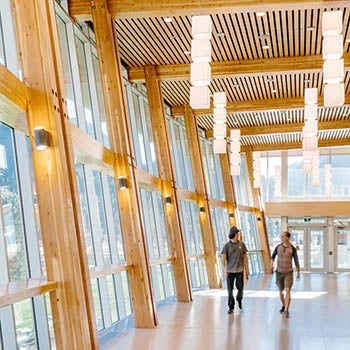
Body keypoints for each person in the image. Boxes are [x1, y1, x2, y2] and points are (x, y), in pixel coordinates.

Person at [270, 231, 300, 318]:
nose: (281, 238)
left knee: (287, 290)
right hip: (279, 272)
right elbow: (272, 257)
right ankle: (284, 305)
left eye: (283, 236)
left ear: (288, 237)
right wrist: (271, 265)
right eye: (281, 236)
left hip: (288, 272)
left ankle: (286, 309)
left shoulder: (292, 248)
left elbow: (296, 261)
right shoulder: (278, 247)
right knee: (280, 291)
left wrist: (298, 272)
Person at [221, 226, 249, 314]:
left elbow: (245, 257)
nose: (238, 235)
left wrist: (247, 269)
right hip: (230, 271)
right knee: (230, 290)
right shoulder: (227, 246)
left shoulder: (242, 244)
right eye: (237, 233)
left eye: (238, 233)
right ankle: (231, 307)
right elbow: (223, 258)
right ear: (234, 234)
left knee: (240, 288)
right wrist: (225, 269)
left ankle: (239, 299)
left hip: (239, 270)